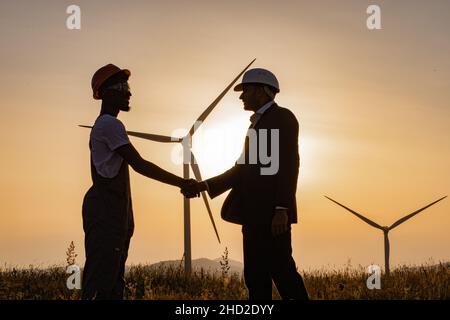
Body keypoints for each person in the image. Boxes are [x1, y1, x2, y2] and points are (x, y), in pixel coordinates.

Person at [185, 68, 309, 300]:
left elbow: (290, 164)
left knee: (283, 274)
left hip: (272, 217)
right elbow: (241, 170)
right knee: (255, 277)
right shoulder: (256, 125)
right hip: (253, 216)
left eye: (246, 91)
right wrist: (202, 186)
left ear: (263, 92)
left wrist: (282, 208)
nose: (241, 97)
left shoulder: (282, 118)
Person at [81, 64, 197, 300]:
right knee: (102, 284)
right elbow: (140, 164)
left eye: (128, 86)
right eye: (122, 87)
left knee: (112, 282)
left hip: (115, 212)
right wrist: (182, 182)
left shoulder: (106, 125)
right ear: (105, 93)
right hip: (107, 212)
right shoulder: (109, 125)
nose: (129, 92)